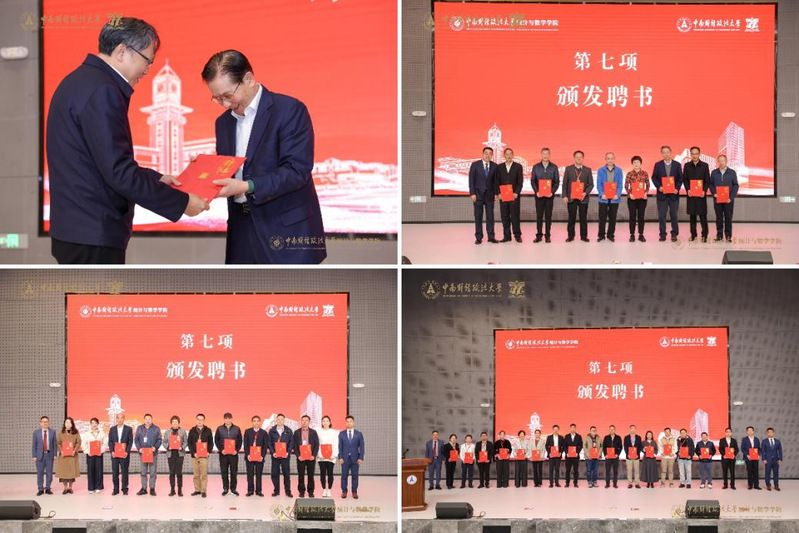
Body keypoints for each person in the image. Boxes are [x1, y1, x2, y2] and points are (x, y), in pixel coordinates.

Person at [46, 17, 208, 264]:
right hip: (94, 232)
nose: (147, 70)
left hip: (76, 230)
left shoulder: (78, 81)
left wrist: (156, 179)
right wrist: (182, 203)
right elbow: (118, 171)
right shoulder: (103, 90)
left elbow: (99, 162)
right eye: (147, 60)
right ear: (122, 51)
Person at [202, 49, 326, 264]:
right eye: (217, 98)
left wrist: (246, 186)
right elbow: (229, 168)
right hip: (241, 231)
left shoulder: (289, 110)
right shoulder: (223, 123)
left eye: (228, 96)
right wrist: (204, 176)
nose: (225, 104)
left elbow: (297, 171)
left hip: (287, 230)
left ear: (248, 79)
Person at [651, 145, 683, 242]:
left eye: (667, 152)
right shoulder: (658, 165)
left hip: (674, 195)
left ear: (670, 152)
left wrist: (677, 188)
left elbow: (680, 178)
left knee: (674, 215)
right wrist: (659, 187)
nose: (666, 154)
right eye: (664, 152)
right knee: (662, 216)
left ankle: (674, 234)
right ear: (661, 153)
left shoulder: (677, 165)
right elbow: (654, 177)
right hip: (662, 195)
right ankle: (662, 234)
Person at [562, 151, 593, 242]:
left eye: (580, 157)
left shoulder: (588, 170)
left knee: (583, 218)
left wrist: (585, 193)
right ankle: (570, 236)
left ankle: (584, 236)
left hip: (583, 198)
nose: (579, 158)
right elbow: (564, 184)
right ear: (574, 158)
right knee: (571, 217)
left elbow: (591, 184)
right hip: (571, 197)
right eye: (577, 157)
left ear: (583, 158)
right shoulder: (568, 169)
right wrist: (564, 195)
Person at [469, 147, 498, 244]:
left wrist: (496, 193)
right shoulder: (475, 165)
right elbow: (471, 180)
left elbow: (496, 181)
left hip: (490, 196)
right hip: (478, 195)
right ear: (482, 154)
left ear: (492, 155)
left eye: (490, 153)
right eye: (486, 153)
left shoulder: (495, 166)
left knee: (490, 217)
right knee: (478, 217)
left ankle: (491, 237)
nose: (487, 155)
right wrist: (472, 193)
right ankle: (478, 237)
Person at [531, 148, 560, 243]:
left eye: (547, 154)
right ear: (541, 154)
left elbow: (557, 182)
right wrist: (536, 192)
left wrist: (552, 192)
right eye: (544, 153)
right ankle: (539, 235)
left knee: (548, 216)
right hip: (539, 196)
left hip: (549, 196)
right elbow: (533, 181)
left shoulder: (554, 167)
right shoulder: (536, 167)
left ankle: (547, 235)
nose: (545, 155)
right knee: (539, 216)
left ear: (549, 155)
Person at [496, 148, 524, 243]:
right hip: (503, 195)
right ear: (504, 155)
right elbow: (497, 181)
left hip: (514, 196)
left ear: (513, 155)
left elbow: (520, 182)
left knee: (515, 216)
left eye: (510, 154)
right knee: (505, 216)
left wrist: (517, 192)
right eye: (507, 154)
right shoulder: (499, 167)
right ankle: (507, 236)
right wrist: (498, 193)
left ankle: (517, 235)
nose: (508, 156)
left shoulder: (518, 166)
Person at [709, 154, 739, 242]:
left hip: (728, 200)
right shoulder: (714, 172)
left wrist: (731, 197)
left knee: (728, 218)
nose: (721, 162)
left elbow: (736, 185)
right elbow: (711, 184)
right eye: (719, 161)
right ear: (717, 162)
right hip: (717, 199)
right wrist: (714, 193)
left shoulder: (732, 172)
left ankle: (728, 236)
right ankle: (719, 235)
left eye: (723, 161)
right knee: (719, 218)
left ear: (726, 161)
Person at [683, 146, 711, 242]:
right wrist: (688, 190)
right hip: (691, 195)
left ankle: (704, 235)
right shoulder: (687, 165)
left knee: (703, 216)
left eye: (696, 153)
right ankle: (693, 235)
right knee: (692, 216)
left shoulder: (705, 165)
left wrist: (704, 191)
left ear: (699, 154)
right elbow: (685, 179)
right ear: (691, 154)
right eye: (693, 154)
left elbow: (707, 180)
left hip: (701, 195)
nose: (694, 155)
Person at [596, 152, 624, 242]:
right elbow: (599, 184)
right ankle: (601, 235)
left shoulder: (619, 170)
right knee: (602, 218)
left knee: (613, 218)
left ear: (614, 159)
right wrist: (601, 194)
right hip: (603, 198)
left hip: (614, 198)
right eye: (608, 158)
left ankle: (610, 235)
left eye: (612, 158)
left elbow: (620, 184)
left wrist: (617, 194)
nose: (610, 160)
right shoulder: (600, 170)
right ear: (605, 159)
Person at [214, 412, 243, 496]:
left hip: (233, 454)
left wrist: (236, 450)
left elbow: (240, 441)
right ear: (224, 419)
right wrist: (221, 450)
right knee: (224, 471)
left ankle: (233, 489)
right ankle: (225, 488)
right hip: (223, 454)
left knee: (234, 472)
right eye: (226, 418)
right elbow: (216, 440)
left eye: (229, 418)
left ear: (231, 419)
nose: (227, 420)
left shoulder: (237, 428)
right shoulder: (219, 428)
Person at [292, 415, 320, 497]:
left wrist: (314, 455)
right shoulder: (296, 432)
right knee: (301, 475)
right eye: (303, 420)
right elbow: (294, 445)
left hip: (311, 457)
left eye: (306, 420)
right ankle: (301, 491)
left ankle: (311, 491)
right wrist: (298, 456)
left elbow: (317, 444)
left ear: (309, 422)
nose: (304, 422)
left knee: (311, 475)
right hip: (301, 457)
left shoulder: (313, 432)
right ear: (301, 421)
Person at [134, 413, 162, 496]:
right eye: (146, 419)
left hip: (152, 453)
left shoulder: (156, 428)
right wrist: (139, 448)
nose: (148, 421)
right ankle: (144, 488)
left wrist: (155, 447)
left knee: (153, 472)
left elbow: (159, 440)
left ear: (152, 420)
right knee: (143, 472)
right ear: (144, 420)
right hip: (143, 453)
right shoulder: (139, 428)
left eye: (149, 419)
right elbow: (136, 440)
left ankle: (152, 488)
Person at [187, 413, 214, 498]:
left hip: (204, 456)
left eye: (201, 420)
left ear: (204, 421)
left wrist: (208, 452)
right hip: (195, 456)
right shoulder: (192, 430)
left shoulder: (208, 430)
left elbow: (211, 443)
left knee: (204, 474)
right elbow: (189, 443)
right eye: (198, 419)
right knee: (196, 475)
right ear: (196, 420)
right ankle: (197, 490)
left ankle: (203, 491)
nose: (200, 421)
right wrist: (193, 453)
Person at [338, 415, 365, 499]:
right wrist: (340, 457)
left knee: (355, 476)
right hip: (344, 459)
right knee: (344, 476)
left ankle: (354, 491)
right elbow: (340, 446)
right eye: (347, 422)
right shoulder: (342, 434)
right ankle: (344, 491)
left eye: (351, 421)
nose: (349, 423)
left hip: (355, 458)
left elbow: (362, 447)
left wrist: (361, 458)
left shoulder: (359, 434)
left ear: (354, 422)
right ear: (345, 423)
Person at [267, 413, 294, 497]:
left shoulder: (289, 430)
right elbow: (269, 443)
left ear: (284, 420)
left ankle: (288, 491)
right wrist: (273, 452)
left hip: (285, 456)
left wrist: (288, 452)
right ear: (276, 420)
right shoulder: (272, 430)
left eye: (282, 419)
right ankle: (276, 491)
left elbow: (291, 443)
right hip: (275, 456)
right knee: (274, 474)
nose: (280, 421)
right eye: (278, 419)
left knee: (286, 474)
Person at [624, 155, 650, 242]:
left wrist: (646, 192)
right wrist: (630, 194)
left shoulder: (645, 173)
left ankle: (641, 235)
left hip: (642, 198)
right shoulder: (629, 174)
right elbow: (626, 186)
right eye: (634, 162)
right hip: (632, 198)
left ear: (640, 163)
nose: (636, 164)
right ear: (632, 164)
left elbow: (648, 185)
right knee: (632, 217)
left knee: (641, 217)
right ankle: (632, 235)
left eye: (638, 162)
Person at [108, 412, 133, 495]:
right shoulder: (112, 429)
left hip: (124, 454)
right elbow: (110, 441)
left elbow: (130, 441)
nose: (120, 419)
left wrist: (127, 452)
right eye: (118, 418)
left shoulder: (128, 429)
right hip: (115, 454)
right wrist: (112, 451)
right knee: (115, 472)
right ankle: (115, 489)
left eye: (121, 418)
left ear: (124, 419)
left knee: (125, 472)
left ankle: (125, 489)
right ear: (116, 419)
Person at [55, 417, 82, 494]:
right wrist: (61, 450)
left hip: (72, 455)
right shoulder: (60, 433)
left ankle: (70, 487)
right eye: (66, 422)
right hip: (63, 456)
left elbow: (79, 442)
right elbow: (58, 443)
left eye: (69, 422)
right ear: (64, 424)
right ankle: (65, 487)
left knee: (71, 472)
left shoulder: (76, 433)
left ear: (72, 424)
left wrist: (74, 450)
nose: (68, 424)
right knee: (63, 472)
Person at [162, 415, 188, 497]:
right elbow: (164, 442)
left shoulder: (183, 431)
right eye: (173, 422)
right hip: (171, 454)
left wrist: (182, 447)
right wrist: (168, 447)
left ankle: (180, 490)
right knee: (172, 472)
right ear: (171, 423)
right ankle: (172, 490)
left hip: (179, 454)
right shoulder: (167, 432)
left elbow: (186, 442)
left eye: (176, 422)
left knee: (179, 473)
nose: (174, 423)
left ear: (178, 423)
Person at [243, 415, 268, 497]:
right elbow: (245, 444)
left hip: (259, 457)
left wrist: (262, 456)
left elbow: (265, 446)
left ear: (260, 422)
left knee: (259, 475)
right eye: (254, 421)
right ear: (252, 422)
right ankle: (250, 490)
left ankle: (258, 491)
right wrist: (247, 455)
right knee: (250, 474)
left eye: (257, 421)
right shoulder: (247, 431)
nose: (256, 422)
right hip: (250, 457)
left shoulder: (264, 433)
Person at [81, 417, 106, 493]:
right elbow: (83, 444)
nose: (94, 424)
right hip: (90, 455)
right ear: (90, 424)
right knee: (90, 471)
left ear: (98, 424)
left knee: (99, 471)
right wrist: (87, 452)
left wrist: (101, 451)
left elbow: (105, 444)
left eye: (95, 423)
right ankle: (91, 488)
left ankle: (98, 487)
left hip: (99, 454)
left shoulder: (102, 433)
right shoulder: (86, 434)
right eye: (92, 423)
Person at [32, 416, 56, 495]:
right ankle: (40, 489)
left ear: (48, 423)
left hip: (49, 455)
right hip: (39, 456)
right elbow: (34, 445)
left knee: (49, 473)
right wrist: (34, 455)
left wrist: (55, 454)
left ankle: (48, 488)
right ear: (40, 423)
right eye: (43, 422)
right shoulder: (36, 432)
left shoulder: (53, 432)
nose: (45, 423)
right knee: (40, 473)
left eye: (46, 422)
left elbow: (54, 444)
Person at [317, 415, 339, 498]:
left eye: (327, 421)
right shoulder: (319, 432)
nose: (325, 422)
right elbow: (317, 444)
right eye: (323, 421)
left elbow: (336, 444)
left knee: (330, 473)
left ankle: (329, 489)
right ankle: (324, 489)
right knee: (322, 473)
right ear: (322, 423)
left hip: (331, 457)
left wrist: (333, 455)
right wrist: (320, 455)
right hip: (321, 457)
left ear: (330, 422)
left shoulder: (334, 432)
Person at [762, 427, 783, 491]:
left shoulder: (777, 441)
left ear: (773, 433)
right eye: (768, 432)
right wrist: (764, 459)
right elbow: (763, 451)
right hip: (768, 460)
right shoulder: (764, 441)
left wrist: (780, 459)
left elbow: (780, 450)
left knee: (776, 473)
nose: (770, 433)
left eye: (771, 432)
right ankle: (768, 485)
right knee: (767, 473)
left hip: (776, 460)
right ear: (767, 433)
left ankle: (776, 485)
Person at [741, 425, 761, 490]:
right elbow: (742, 448)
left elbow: (759, 448)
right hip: (748, 458)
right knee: (749, 471)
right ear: (747, 432)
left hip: (755, 458)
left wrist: (758, 455)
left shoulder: (757, 439)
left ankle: (756, 485)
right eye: (748, 430)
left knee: (756, 471)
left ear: (753, 431)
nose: (750, 432)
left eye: (751, 430)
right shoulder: (744, 439)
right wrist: (747, 455)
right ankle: (750, 485)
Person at [563, 423, 583, 488]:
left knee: (576, 471)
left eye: (574, 428)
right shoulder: (566, 436)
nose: (572, 429)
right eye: (571, 428)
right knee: (567, 470)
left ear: (575, 428)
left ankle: (575, 483)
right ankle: (567, 483)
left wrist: (577, 452)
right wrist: (566, 453)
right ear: (570, 428)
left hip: (576, 457)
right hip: (568, 457)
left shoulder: (579, 436)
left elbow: (580, 445)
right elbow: (564, 446)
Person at [624, 425, 643, 489]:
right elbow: (625, 447)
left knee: (637, 470)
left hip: (636, 457)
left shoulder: (638, 437)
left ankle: (637, 483)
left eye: (634, 428)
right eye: (631, 428)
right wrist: (628, 454)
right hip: (628, 457)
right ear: (630, 429)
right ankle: (630, 483)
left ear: (635, 429)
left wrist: (637, 454)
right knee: (629, 470)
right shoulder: (626, 437)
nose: (633, 430)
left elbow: (640, 447)